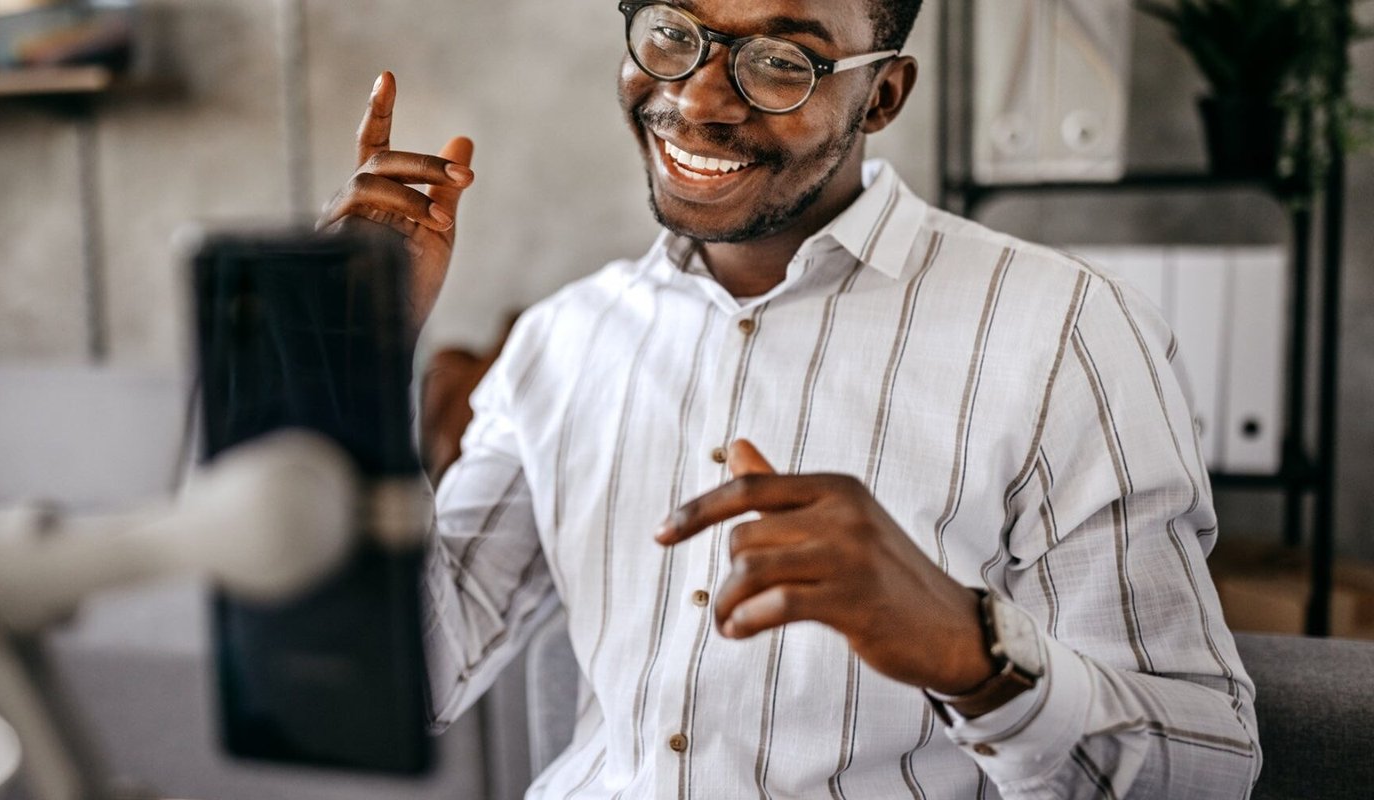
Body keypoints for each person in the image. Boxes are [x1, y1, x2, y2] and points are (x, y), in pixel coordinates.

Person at [319, 1, 1260, 797]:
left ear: (881, 95)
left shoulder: (1067, 333)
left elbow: (1208, 762)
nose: (697, 99)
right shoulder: (560, 342)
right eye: (672, 31)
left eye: (781, 61)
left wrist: (970, 652)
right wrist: (349, 365)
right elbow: (399, 679)